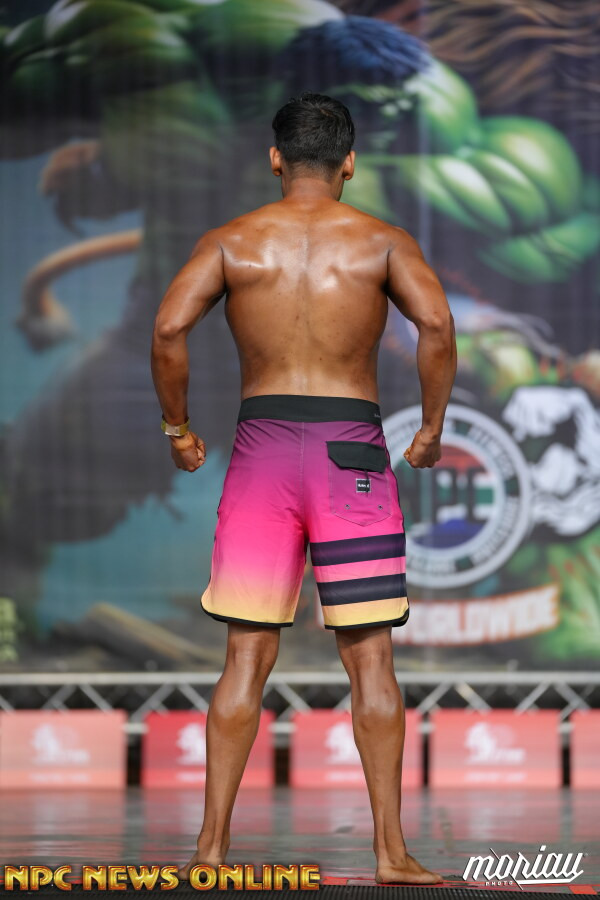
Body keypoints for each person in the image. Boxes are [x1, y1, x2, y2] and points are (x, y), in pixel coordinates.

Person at [150, 92, 456, 886]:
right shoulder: (382, 243)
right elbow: (436, 326)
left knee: (245, 657)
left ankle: (210, 853)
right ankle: (390, 855)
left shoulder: (232, 242)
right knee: (372, 661)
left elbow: (169, 328)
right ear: (350, 162)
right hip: (351, 452)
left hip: (263, 456)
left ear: (275, 158)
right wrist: (430, 429)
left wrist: (178, 429)